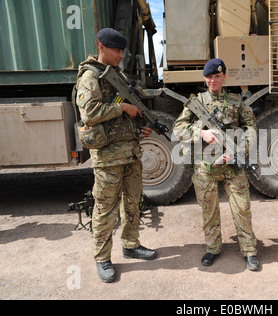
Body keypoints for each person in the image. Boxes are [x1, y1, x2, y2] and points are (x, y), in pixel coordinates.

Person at [75, 28, 157, 283]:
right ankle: (102, 258)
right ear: (101, 47)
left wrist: (142, 127)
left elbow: (130, 114)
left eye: (122, 50)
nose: (121, 55)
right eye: (116, 50)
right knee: (105, 209)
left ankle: (131, 245)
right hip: (108, 156)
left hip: (130, 153)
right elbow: (89, 112)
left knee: (132, 204)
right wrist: (122, 107)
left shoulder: (117, 75)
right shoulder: (90, 76)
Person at [173, 59, 259, 271]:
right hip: (205, 167)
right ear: (205, 78)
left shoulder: (237, 101)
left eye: (217, 77)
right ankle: (213, 248)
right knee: (209, 211)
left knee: (242, 210)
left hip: (232, 166)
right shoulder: (197, 102)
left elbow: (251, 127)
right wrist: (201, 133)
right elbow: (178, 128)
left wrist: (240, 151)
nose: (213, 81)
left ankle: (249, 251)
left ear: (224, 76)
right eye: (209, 77)